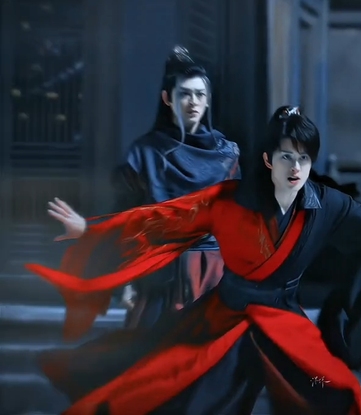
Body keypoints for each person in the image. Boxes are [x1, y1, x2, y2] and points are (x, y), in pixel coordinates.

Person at [26, 106, 361, 415]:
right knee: (181, 393)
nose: (295, 168)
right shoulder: (227, 200)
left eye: (304, 159)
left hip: (281, 319)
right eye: (286, 157)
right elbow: (159, 217)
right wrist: (91, 229)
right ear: (268, 159)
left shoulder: (326, 203)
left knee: (334, 391)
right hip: (224, 317)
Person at [50, 46, 240, 331]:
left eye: (200, 94)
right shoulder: (145, 153)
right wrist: (92, 234)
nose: (193, 102)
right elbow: (127, 217)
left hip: (212, 272)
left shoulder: (227, 154)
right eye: (184, 94)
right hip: (158, 274)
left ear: (208, 100)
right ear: (167, 98)